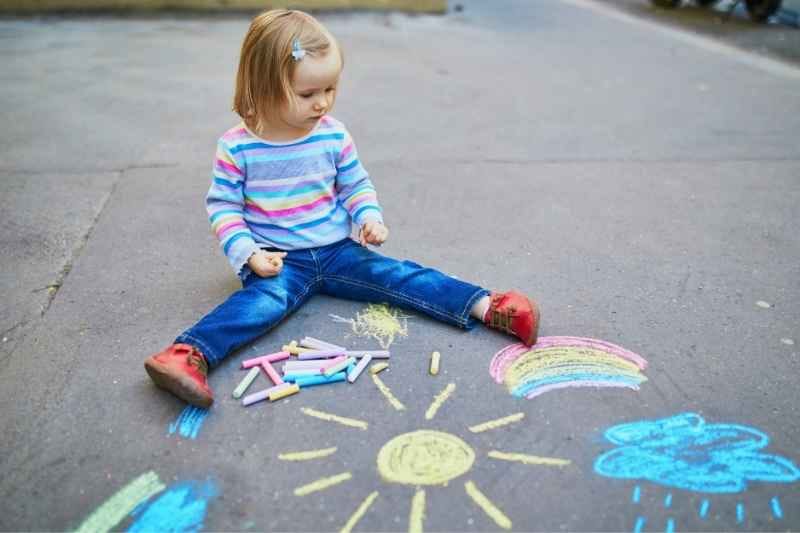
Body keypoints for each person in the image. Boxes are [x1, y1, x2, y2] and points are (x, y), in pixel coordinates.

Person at [144, 9, 540, 408]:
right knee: (262, 305)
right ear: (264, 86)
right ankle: (187, 354)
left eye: (330, 89)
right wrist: (249, 255)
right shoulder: (237, 146)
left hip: (337, 250)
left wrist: (368, 216)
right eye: (307, 94)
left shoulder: (332, 135)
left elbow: (354, 184)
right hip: (278, 259)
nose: (322, 103)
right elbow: (224, 207)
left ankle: (488, 306)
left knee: (397, 275)